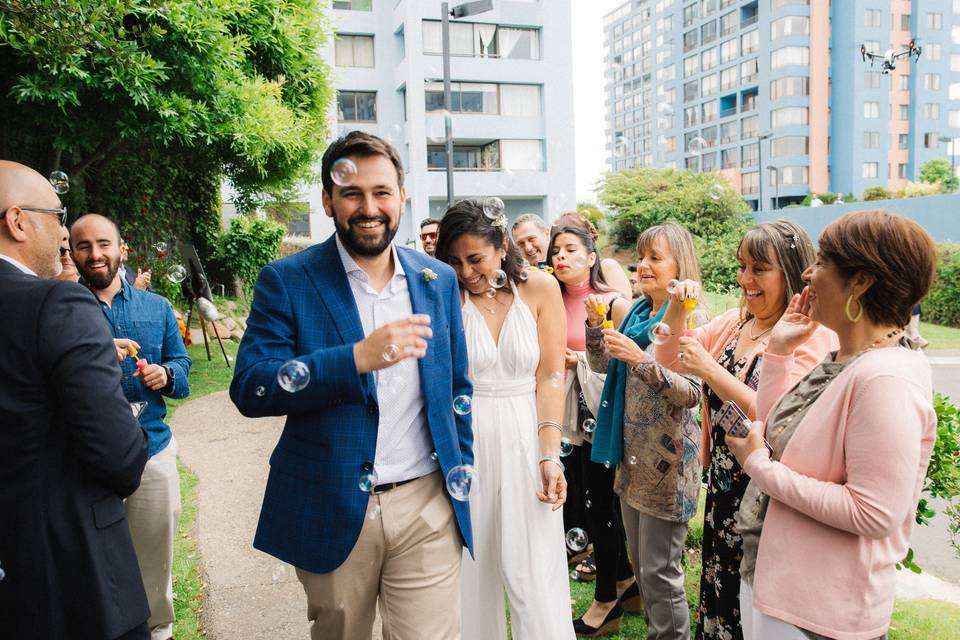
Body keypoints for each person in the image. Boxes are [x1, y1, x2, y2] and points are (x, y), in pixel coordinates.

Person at [230, 131, 473, 640]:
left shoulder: (437, 279)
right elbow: (251, 387)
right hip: (332, 503)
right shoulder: (288, 280)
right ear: (327, 200)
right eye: (352, 193)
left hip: (426, 500)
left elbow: (456, 388)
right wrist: (356, 358)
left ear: (402, 197)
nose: (369, 207)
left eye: (382, 192)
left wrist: (460, 468)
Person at [728, 210, 938, 640]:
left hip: (818, 612)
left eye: (822, 261)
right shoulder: (845, 359)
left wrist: (760, 468)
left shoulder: (884, 379)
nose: (806, 273)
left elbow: (873, 512)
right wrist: (781, 351)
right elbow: (775, 435)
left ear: (860, 282)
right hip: (780, 587)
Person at [655, 219, 836, 640]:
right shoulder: (734, 324)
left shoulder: (811, 335)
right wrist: (677, 307)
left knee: (750, 602)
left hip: (766, 492)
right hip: (722, 488)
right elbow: (666, 355)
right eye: (742, 267)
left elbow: (782, 416)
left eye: (760, 269)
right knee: (719, 594)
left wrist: (710, 370)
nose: (746, 279)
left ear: (790, 271)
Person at [0, 161, 150, 639]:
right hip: (66, 574)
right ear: (18, 221)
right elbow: (118, 455)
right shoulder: (58, 303)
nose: (65, 234)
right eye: (58, 216)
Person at [434, 199, 572, 640]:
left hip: (525, 437)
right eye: (454, 261)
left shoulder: (541, 289)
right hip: (464, 445)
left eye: (475, 259)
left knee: (535, 573)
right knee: (470, 574)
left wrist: (550, 454)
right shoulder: (443, 294)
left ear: (502, 245)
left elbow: (551, 376)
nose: (466, 272)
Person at [71, 213, 192, 640]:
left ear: (121, 250)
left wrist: (167, 373)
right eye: (83, 246)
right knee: (91, 557)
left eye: (103, 243)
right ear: (73, 252)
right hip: (83, 458)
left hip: (152, 449)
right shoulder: (61, 306)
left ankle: (158, 631)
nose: (94, 253)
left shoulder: (156, 307)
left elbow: (183, 367)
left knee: (153, 556)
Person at [585, 222, 704, 640]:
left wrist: (640, 360)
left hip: (667, 463)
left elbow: (692, 394)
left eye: (656, 258)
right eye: (643, 257)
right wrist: (596, 328)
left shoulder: (691, 317)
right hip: (630, 457)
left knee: (660, 573)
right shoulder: (636, 311)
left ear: (680, 265)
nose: (644, 266)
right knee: (645, 568)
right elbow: (603, 366)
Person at [546, 224, 638, 637]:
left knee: (602, 504)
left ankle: (607, 603)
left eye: (570, 249)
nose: (560, 257)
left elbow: (623, 365)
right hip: (564, 419)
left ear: (590, 257)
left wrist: (576, 361)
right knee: (584, 504)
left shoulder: (612, 303)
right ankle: (625, 580)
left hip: (600, 417)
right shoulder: (548, 298)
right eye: (555, 251)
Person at [553, 211, 633, 299]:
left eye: (571, 249)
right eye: (555, 251)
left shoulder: (607, 266)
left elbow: (625, 307)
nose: (560, 255)